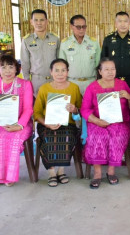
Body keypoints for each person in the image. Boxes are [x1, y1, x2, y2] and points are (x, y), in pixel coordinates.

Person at [81, 58, 130, 189]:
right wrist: (97, 121)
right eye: (107, 69)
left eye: (113, 69)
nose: (110, 72)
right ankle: (97, 173)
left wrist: (129, 97)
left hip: (119, 122)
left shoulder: (122, 85)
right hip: (97, 121)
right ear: (100, 71)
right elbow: (85, 110)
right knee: (97, 136)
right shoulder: (92, 87)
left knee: (116, 135)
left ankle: (111, 171)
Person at [33, 59, 82, 187]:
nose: (60, 73)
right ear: (51, 72)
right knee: (50, 137)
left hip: (68, 124)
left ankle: (61, 171)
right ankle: (52, 173)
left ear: (68, 72)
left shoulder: (74, 88)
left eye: (63, 70)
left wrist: (75, 109)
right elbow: (36, 113)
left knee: (67, 136)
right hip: (46, 124)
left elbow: (81, 110)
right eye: (57, 70)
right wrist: (47, 124)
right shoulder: (44, 89)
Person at [0, 55, 33, 187]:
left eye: (11, 67)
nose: (7, 71)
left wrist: (19, 125)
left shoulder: (25, 84)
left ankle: (9, 176)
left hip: (22, 124)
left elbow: (28, 109)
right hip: (1, 123)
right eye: (3, 67)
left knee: (14, 139)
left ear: (17, 69)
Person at [21, 9, 60, 96]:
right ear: (31, 22)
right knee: (37, 107)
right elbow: (25, 63)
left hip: (54, 79)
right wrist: (27, 83)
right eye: (36, 20)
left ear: (47, 21)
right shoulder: (27, 40)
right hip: (36, 81)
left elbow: (59, 60)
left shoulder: (55, 39)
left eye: (42, 20)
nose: (39, 23)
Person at [59, 14, 101, 96]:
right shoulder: (65, 43)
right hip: (72, 83)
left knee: (90, 108)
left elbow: (98, 64)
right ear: (71, 26)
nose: (81, 30)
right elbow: (62, 66)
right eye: (78, 27)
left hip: (90, 82)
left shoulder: (94, 43)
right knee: (73, 108)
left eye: (84, 27)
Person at [101, 11, 130, 91]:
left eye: (125, 21)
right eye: (120, 21)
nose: (123, 24)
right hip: (112, 80)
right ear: (116, 23)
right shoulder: (108, 39)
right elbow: (103, 61)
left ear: (129, 23)